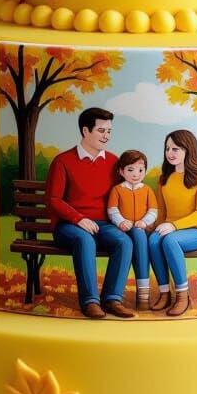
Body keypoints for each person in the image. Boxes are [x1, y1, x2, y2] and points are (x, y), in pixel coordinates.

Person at [45, 107, 134, 319]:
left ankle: (112, 299)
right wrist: (78, 219)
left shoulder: (113, 162)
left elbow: (122, 193)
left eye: (109, 131)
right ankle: (90, 302)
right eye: (101, 131)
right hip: (68, 225)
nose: (107, 136)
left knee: (124, 241)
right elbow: (53, 199)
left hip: (103, 224)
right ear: (85, 131)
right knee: (85, 240)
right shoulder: (63, 161)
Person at [149, 130, 197, 318]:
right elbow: (162, 213)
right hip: (170, 228)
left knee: (170, 241)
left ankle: (183, 296)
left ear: (188, 149)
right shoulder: (164, 179)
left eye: (175, 149)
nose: (170, 153)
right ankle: (164, 293)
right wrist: (152, 227)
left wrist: (174, 226)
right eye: (167, 148)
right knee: (153, 241)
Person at [106, 150, 157, 310]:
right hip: (123, 230)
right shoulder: (117, 190)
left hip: (141, 229)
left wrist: (144, 221)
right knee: (133, 239)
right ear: (121, 171)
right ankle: (128, 294)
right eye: (130, 169)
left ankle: (143, 293)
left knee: (140, 236)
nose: (136, 174)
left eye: (140, 170)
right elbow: (112, 210)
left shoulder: (147, 190)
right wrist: (121, 221)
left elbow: (153, 210)